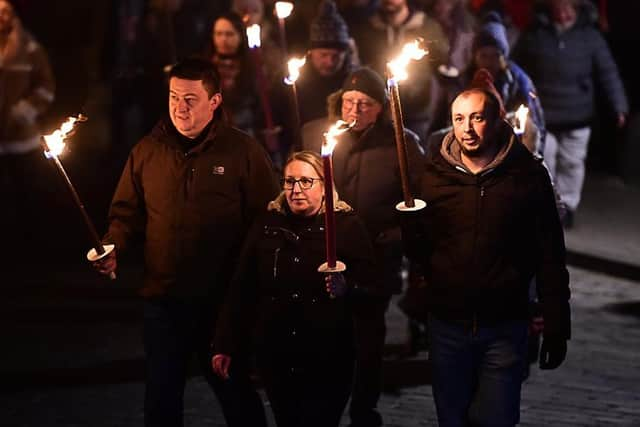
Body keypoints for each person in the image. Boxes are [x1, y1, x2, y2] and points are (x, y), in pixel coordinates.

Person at [91, 57, 278, 427]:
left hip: (221, 301)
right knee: (161, 396)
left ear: (215, 102)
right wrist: (113, 245)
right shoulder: (147, 151)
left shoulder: (243, 152)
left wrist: (255, 283)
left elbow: (266, 219)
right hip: (163, 300)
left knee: (234, 391)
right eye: (175, 96)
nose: (180, 107)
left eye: (191, 99)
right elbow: (126, 213)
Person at [401, 81, 571, 426]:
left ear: (496, 121)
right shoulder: (434, 177)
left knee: (496, 418)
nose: (467, 128)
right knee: (453, 419)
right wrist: (410, 226)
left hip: (504, 324)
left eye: (477, 118)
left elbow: (550, 253)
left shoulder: (527, 175)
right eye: (459, 118)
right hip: (448, 324)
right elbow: (421, 252)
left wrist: (556, 323)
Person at [213, 150, 380, 427]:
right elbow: (242, 287)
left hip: (328, 353)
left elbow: (372, 287)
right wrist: (224, 342)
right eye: (289, 181)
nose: (296, 189)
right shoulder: (268, 224)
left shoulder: (346, 226)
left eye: (306, 181)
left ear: (324, 184)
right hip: (277, 351)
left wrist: (347, 287)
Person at [302, 66, 424, 427]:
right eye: (348, 102)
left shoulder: (402, 143)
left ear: (381, 108)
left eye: (365, 103)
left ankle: (363, 410)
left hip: (375, 258)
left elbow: (420, 200)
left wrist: (397, 233)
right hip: (327, 254)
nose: (354, 110)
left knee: (368, 340)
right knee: (327, 336)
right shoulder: (316, 135)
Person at [511, 0, 629, 228]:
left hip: (578, 115)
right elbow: (517, 69)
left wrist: (619, 105)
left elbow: (608, 72)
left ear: (577, 10)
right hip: (544, 115)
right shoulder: (535, 34)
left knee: (572, 163)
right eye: (559, 9)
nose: (563, 14)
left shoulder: (590, 37)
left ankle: (567, 207)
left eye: (568, 10)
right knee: (545, 162)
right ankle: (548, 205)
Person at [0, 0, 55, 270]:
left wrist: (27, 109)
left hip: (21, 139)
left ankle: (33, 257)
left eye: (6, 11)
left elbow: (46, 86)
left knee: (27, 199)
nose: (1, 16)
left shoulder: (28, 47)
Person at [350, 0, 449, 142]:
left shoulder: (426, 27)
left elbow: (441, 63)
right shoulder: (368, 28)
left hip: (417, 110)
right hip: (379, 112)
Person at [461, 11, 546, 155]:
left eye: (495, 55)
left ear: (504, 56)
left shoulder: (518, 81)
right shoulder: (463, 81)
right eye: (484, 56)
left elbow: (534, 121)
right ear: (475, 56)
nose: (489, 62)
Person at [295, 0, 359, 127]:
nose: (329, 62)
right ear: (311, 52)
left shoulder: (355, 83)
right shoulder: (294, 83)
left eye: (336, 56)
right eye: (323, 55)